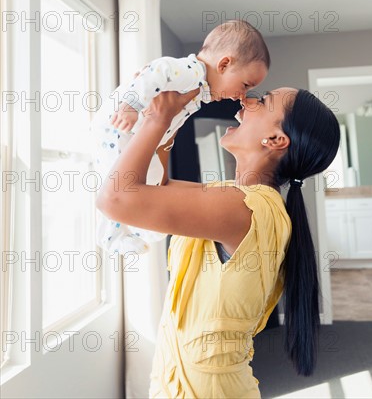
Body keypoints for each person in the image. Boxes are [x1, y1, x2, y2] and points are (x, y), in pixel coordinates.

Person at [96, 86, 340, 397]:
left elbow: (116, 199)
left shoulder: (247, 209)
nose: (247, 99)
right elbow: (154, 187)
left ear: (276, 140)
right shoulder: (237, 198)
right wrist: (171, 120)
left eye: (262, 101)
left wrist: (159, 119)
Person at [91, 20, 270, 255]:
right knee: (117, 181)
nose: (242, 96)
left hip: (137, 133)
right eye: (245, 85)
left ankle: (139, 228)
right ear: (224, 64)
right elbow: (156, 71)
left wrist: (162, 131)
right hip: (118, 127)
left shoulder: (200, 89)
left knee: (150, 182)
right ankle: (110, 238)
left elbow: (167, 123)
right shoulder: (191, 72)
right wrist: (131, 105)